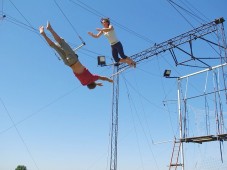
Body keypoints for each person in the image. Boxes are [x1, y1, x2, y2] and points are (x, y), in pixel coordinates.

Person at [39, 21, 113, 89]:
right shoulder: (84, 83)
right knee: (54, 46)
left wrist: (109, 80)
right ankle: (43, 34)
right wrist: (96, 84)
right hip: (68, 63)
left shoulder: (92, 78)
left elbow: (102, 78)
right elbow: (90, 82)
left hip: (74, 59)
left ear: (93, 82)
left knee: (61, 41)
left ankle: (50, 29)